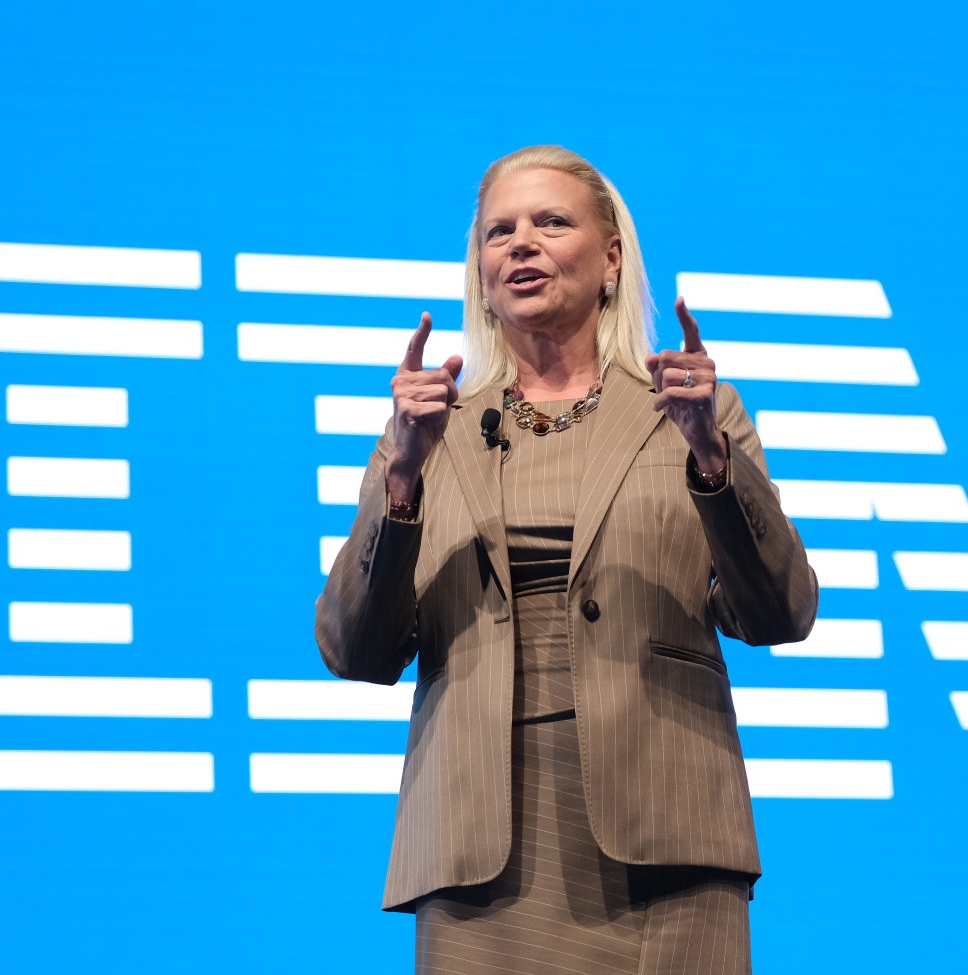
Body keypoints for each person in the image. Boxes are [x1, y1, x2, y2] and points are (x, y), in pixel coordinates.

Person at [315, 145, 817, 974]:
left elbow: (780, 611)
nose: (522, 243)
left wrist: (712, 459)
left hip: (667, 844)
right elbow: (356, 650)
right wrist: (401, 478)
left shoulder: (692, 412)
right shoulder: (428, 432)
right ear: (482, 275)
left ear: (612, 259)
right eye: (499, 231)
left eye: (551, 221)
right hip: (480, 855)